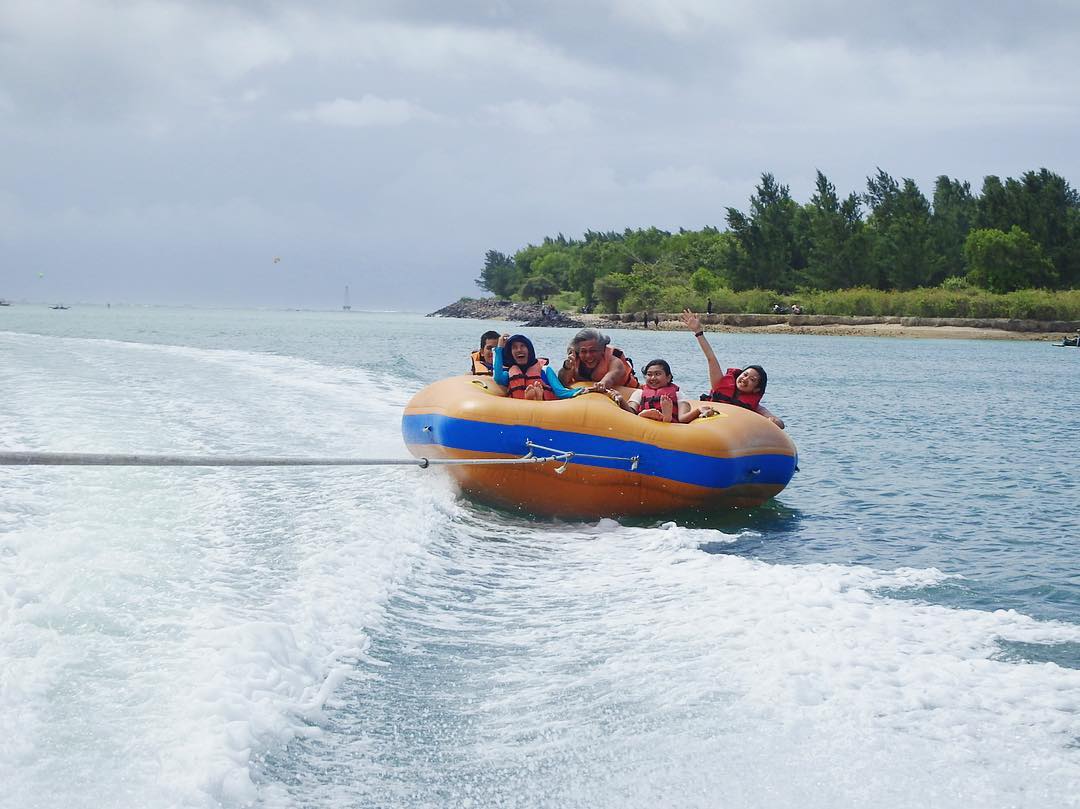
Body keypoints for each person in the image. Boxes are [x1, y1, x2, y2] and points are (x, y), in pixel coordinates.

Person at [681, 310, 785, 429]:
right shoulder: (719, 384)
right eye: (745, 374)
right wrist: (698, 332)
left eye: (752, 379)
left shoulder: (756, 407)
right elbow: (711, 358)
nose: (745, 379)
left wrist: (773, 420)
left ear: (756, 389)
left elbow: (780, 424)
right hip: (707, 427)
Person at [493, 334, 584, 400]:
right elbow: (498, 378)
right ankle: (533, 397)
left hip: (543, 411)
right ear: (510, 353)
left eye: (523, 346)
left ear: (529, 350)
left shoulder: (545, 370)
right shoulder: (509, 373)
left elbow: (560, 391)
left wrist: (582, 390)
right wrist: (499, 348)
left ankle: (537, 397)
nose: (519, 350)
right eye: (514, 347)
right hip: (519, 410)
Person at [617, 359, 698, 423]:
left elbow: (683, 418)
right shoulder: (639, 393)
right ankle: (649, 416)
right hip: (643, 424)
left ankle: (666, 418)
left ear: (668, 378)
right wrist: (620, 399)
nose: (653, 378)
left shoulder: (678, 394)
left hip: (671, 427)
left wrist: (699, 410)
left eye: (657, 374)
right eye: (649, 374)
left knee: (644, 417)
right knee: (636, 415)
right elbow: (631, 412)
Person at [557, 328, 639, 390]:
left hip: (627, 392)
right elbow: (563, 381)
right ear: (578, 352)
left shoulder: (614, 361)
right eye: (583, 351)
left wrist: (602, 384)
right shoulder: (574, 360)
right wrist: (567, 367)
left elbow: (612, 376)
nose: (588, 355)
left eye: (593, 351)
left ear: (602, 350)